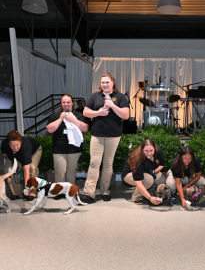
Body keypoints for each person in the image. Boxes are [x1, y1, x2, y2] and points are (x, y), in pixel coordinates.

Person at [81, 72, 129, 203]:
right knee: (94, 163)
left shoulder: (120, 97)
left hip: (114, 135)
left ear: (113, 83)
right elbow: (85, 111)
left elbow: (126, 115)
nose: (105, 84)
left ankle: (105, 191)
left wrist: (112, 105)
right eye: (102, 82)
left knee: (108, 164)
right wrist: (98, 113)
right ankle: (89, 193)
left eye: (107, 82)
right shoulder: (95, 96)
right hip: (97, 134)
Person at [46, 94, 89, 184]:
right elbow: (49, 129)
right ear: (61, 104)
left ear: (72, 103)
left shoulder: (78, 115)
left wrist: (73, 120)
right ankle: (59, 191)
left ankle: (70, 191)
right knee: (59, 172)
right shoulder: (55, 116)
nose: (66, 104)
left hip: (74, 148)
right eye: (64, 102)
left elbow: (85, 128)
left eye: (68, 102)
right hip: (58, 149)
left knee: (71, 172)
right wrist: (60, 119)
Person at [121, 139, 166, 205]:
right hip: (129, 174)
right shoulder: (137, 160)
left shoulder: (158, 151)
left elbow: (162, 164)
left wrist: (153, 171)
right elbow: (138, 182)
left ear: (154, 148)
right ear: (142, 149)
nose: (149, 153)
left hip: (147, 171)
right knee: (148, 180)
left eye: (151, 150)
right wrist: (150, 198)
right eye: (146, 151)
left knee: (162, 179)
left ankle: (150, 192)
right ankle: (136, 197)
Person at [1, 130, 42, 201]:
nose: (15, 148)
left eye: (17, 145)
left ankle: (31, 192)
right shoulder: (4, 144)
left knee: (32, 168)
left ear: (21, 142)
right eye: (12, 146)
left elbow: (26, 170)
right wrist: (17, 162)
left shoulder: (26, 146)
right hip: (14, 156)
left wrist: (27, 188)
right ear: (8, 144)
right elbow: (7, 154)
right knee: (7, 169)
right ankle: (17, 193)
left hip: (34, 152)